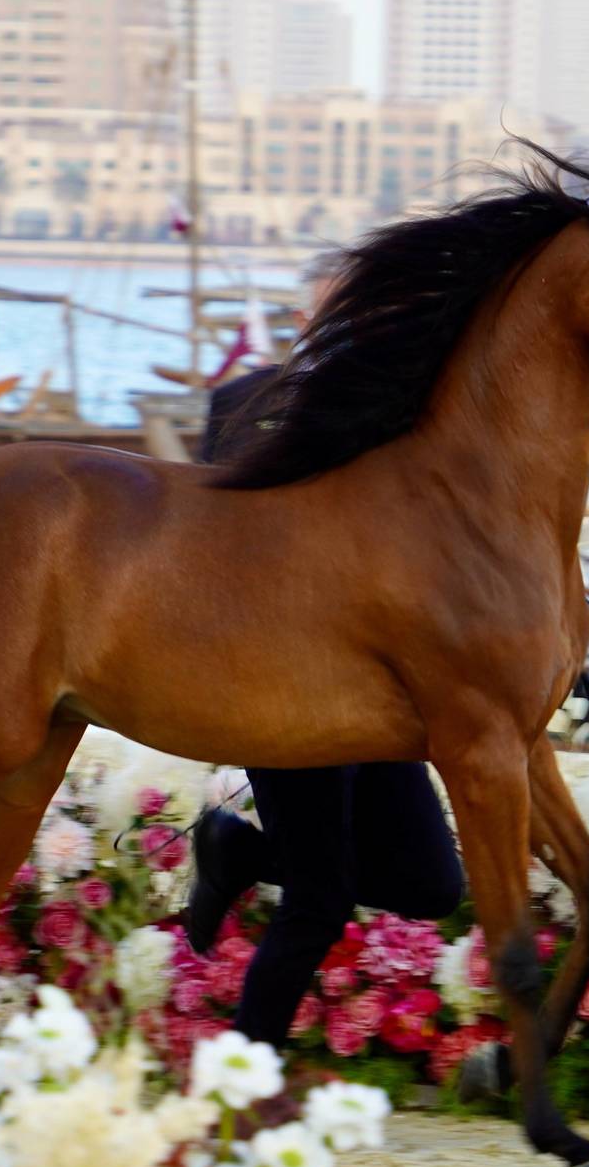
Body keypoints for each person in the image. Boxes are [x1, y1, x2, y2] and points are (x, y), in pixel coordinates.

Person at [183, 251, 466, 1048]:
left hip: (376, 690)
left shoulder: (412, 414)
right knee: (320, 900)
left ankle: (237, 852)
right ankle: (246, 1081)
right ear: (307, 326)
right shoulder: (243, 405)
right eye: (337, 317)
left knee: (433, 883)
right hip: (283, 687)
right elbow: (213, 551)